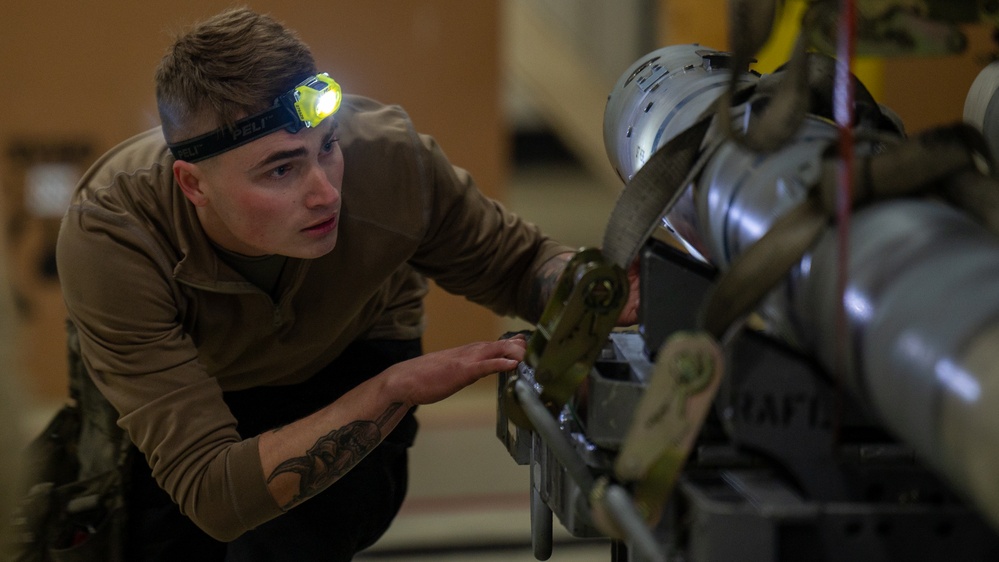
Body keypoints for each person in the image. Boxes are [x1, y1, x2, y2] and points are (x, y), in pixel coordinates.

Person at [55, 6, 638, 561]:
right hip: (195, 386)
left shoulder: (389, 161)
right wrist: (393, 390)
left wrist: (600, 290)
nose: (327, 191)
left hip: (348, 350)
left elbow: (519, 265)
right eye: (281, 168)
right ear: (193, 186)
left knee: (292, 546)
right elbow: (213, 494)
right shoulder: (115, 236)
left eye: (327, 146)